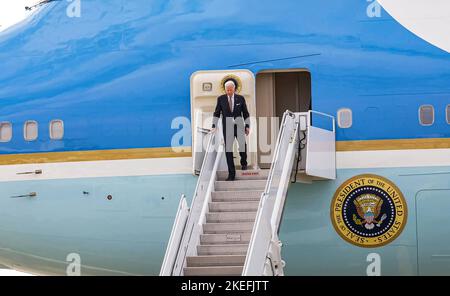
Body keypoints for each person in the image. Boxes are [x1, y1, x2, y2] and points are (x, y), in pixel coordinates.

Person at [211, 80, 250, 181]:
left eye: (230, 90)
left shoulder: (240, 98)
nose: (228, 91)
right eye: (227, 90)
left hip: (239, 124)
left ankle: (244, 163)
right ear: (225, 89)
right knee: (228, 150)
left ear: (234, 89)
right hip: (227, 126)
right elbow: (216, 113)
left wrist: (247, 126)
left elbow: (245, 113)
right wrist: (214, 125)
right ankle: (231, 174)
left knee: (242, 145)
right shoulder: (221, 99)